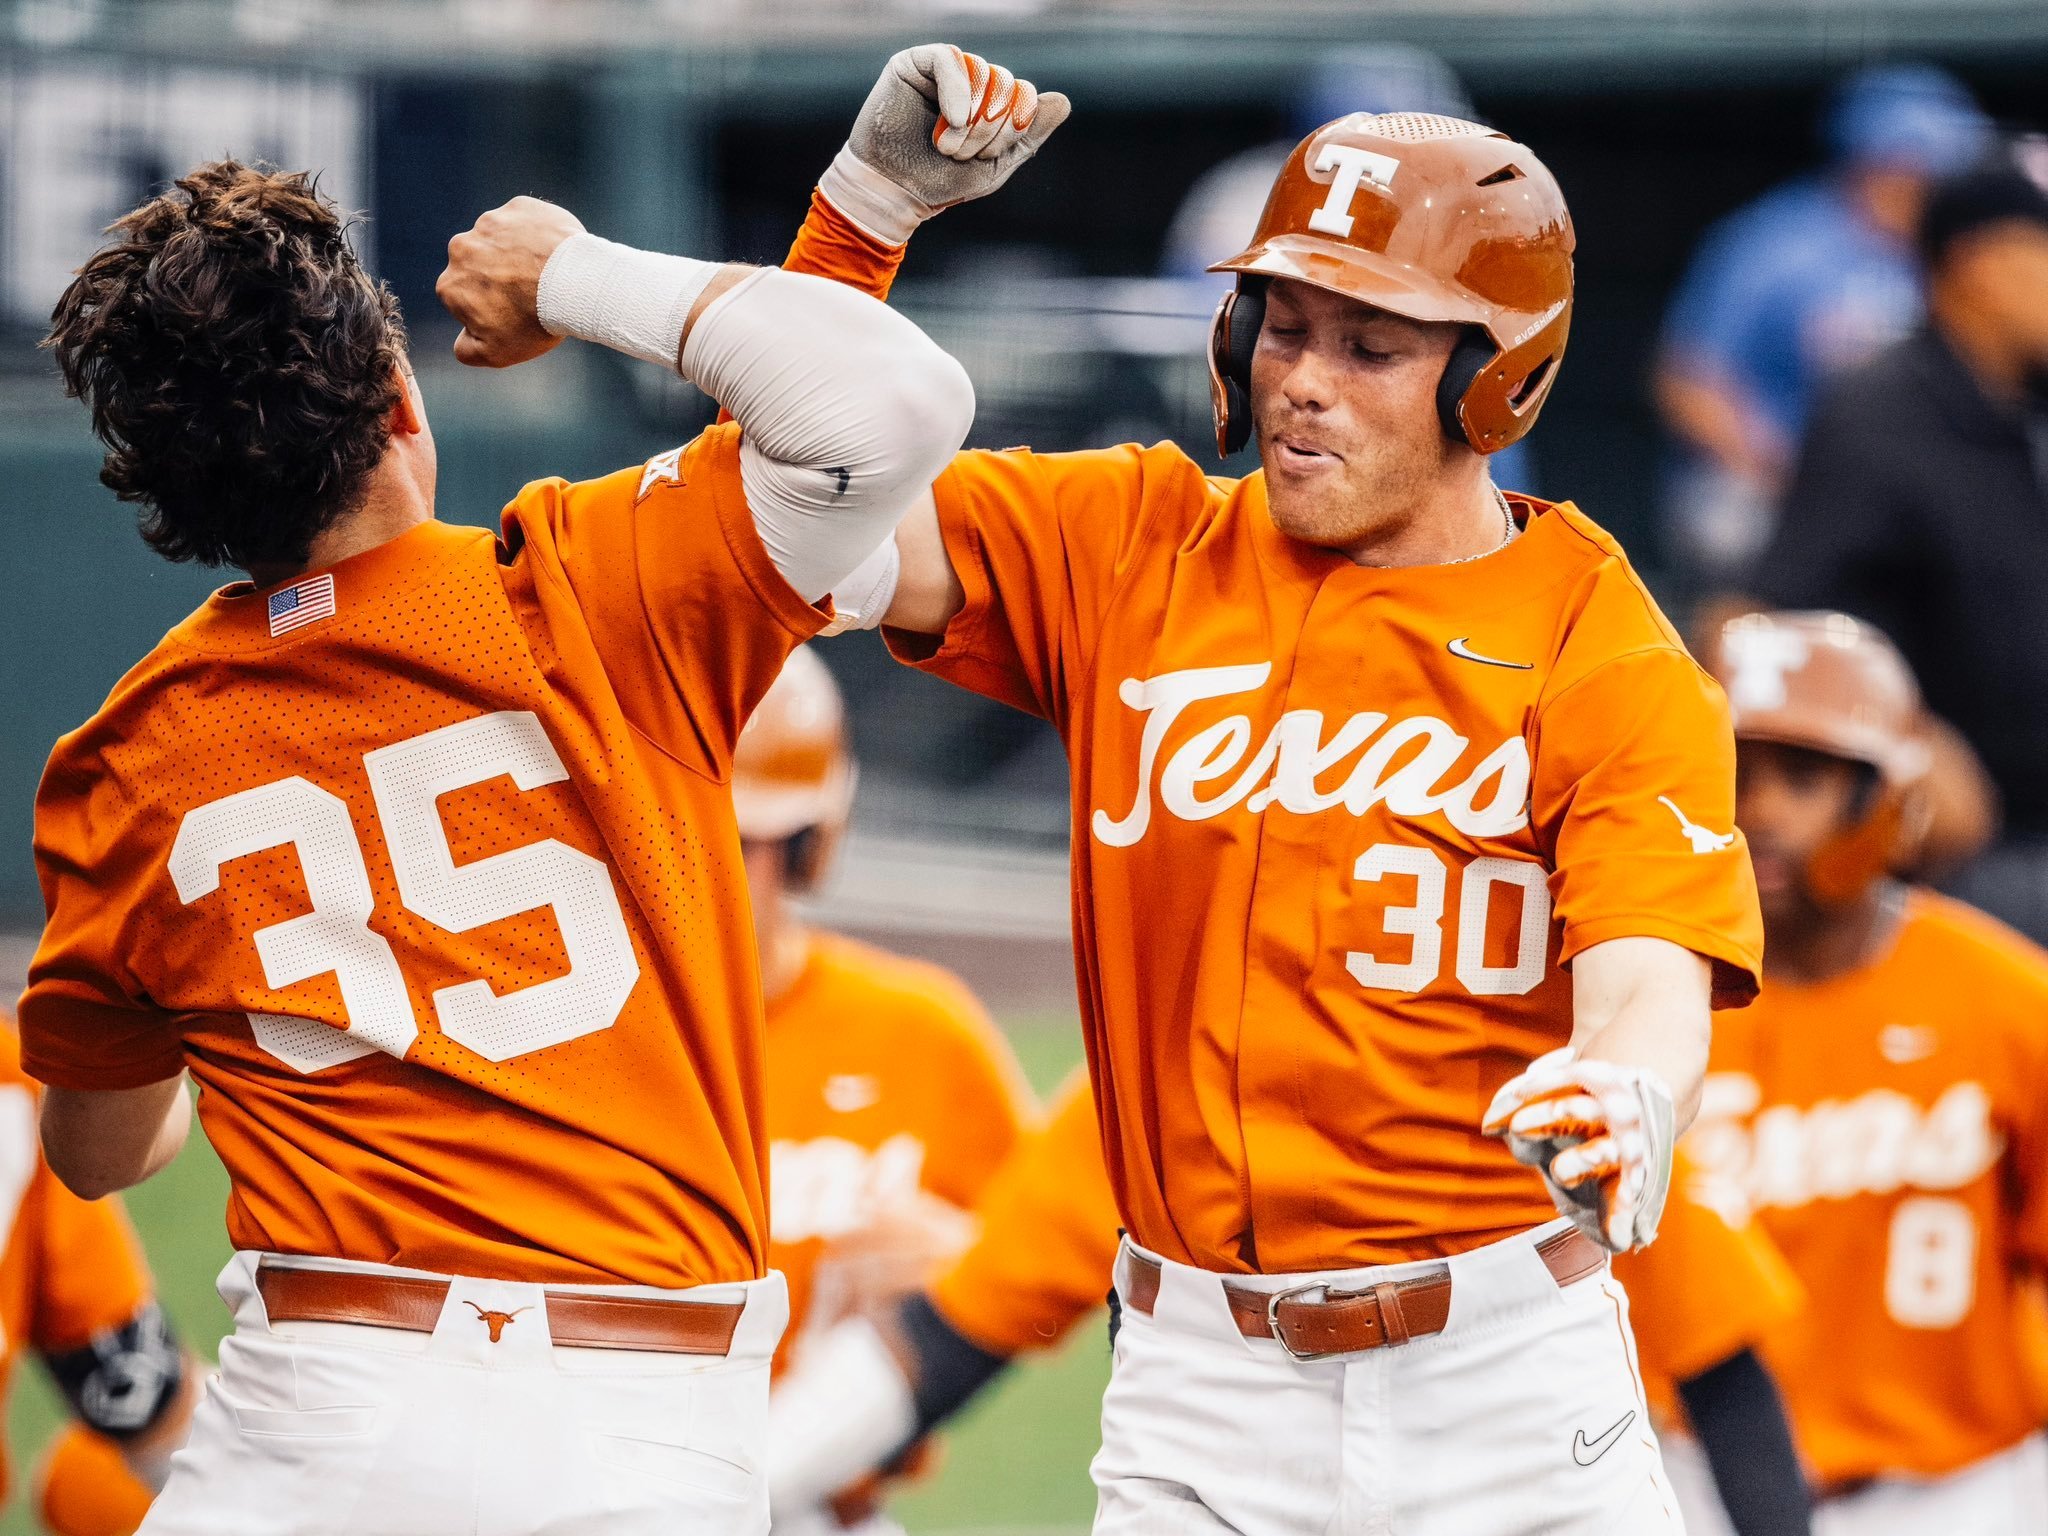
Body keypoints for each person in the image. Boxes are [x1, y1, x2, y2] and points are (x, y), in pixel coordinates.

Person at [18, 44, 1061, 1533]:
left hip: (308, 1417)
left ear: (166, 496)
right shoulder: (573, 583)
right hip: (622, 1427)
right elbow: (874, 411)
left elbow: (102, 1148)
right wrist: (582, 269)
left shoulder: (125, 761)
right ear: (399, 405)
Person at [748, 101, 1768, 1532]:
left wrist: (1631, 1092)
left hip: (1506, 1384)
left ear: (1496, 381)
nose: (1302, 380)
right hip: (1199, 1390)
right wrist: (859, 222)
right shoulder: (1126, 543)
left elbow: (1647, 985)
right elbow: (795, 509)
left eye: (1371, 346)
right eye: (1281, 327)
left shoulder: (1604, 649)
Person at [777, 1068, 1815, 1535]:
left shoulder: (1528, 1064)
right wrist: (746, 1488)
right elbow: (954, 1332)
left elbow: (1723, 1377)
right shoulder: (1149, 1082)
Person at [1679, 608, 2048, 1532]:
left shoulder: (2006, 996)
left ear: (1885, 795)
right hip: (1689, 1478)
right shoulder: (1646, 1000)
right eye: (1734, 776)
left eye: (1801, 778)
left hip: (1961, 1486)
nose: (1757, 813)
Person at [735, 647, 1038, 1533]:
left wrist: (972, 1254)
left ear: (807, 845)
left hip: (828, 1505)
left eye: (740, 844)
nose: (705, 878)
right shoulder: (587, 1045)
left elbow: (1071, 1268)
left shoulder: (918, 1029)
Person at [1748, 138, 2048, 944]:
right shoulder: (1880, 412)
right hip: (1963, 846)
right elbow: (1761, 621)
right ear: (1977, 260)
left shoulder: (2025, 409)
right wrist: (1912, 734)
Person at [1656, 64, 1989, 582]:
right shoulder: (1775, 243)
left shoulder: (1958, 254)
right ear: (1869, 164)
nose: (1929, 186)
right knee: (1727, 521)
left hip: (1901, 483)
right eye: (1913, 169)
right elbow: (1686, 383)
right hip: (1777, 478)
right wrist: (1773, 466)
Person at [0, 1015, 197, 1536]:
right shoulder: (9, 1090)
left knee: (93, 1490)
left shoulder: (11, 1090)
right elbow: (146, 1400)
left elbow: (141, 1394)